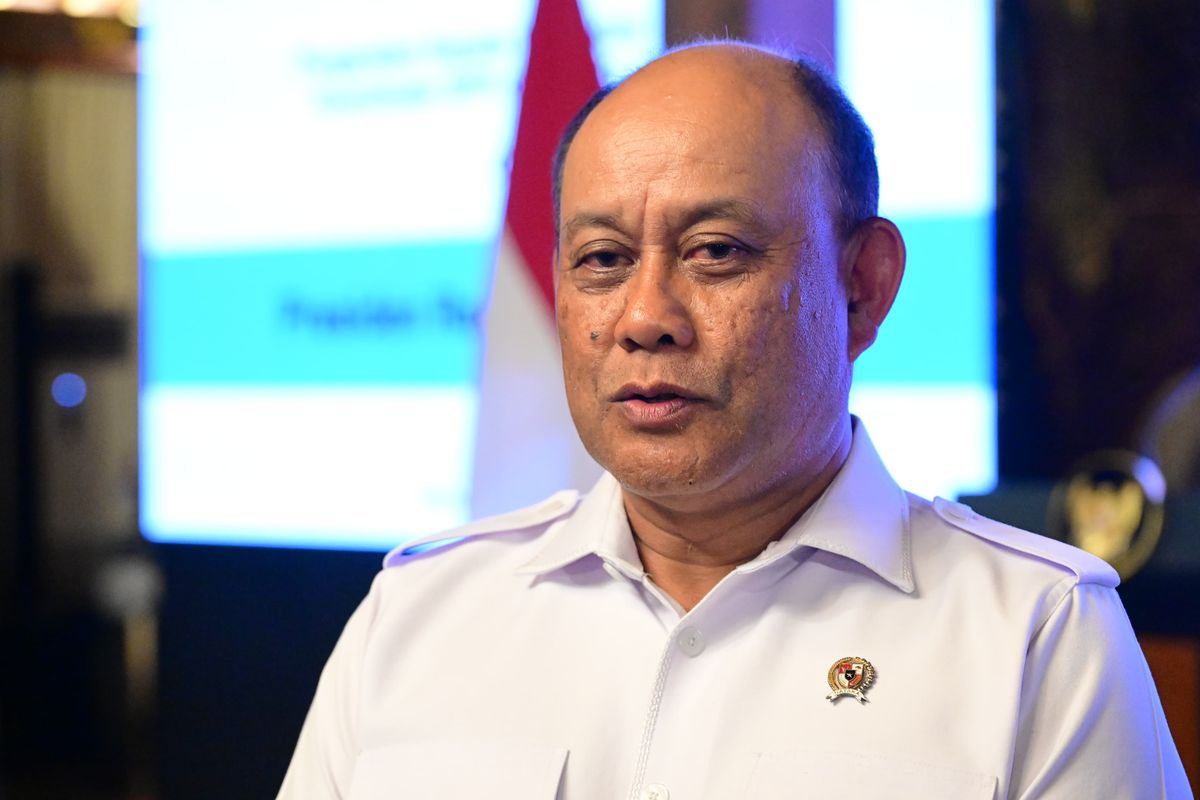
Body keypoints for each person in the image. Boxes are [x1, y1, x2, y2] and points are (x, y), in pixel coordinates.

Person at [278, 42, 1189, 799]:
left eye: (716, 251)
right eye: (602, 259)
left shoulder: (1036, 635)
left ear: (863, 285)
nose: (644, 317)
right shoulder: (420, 617)